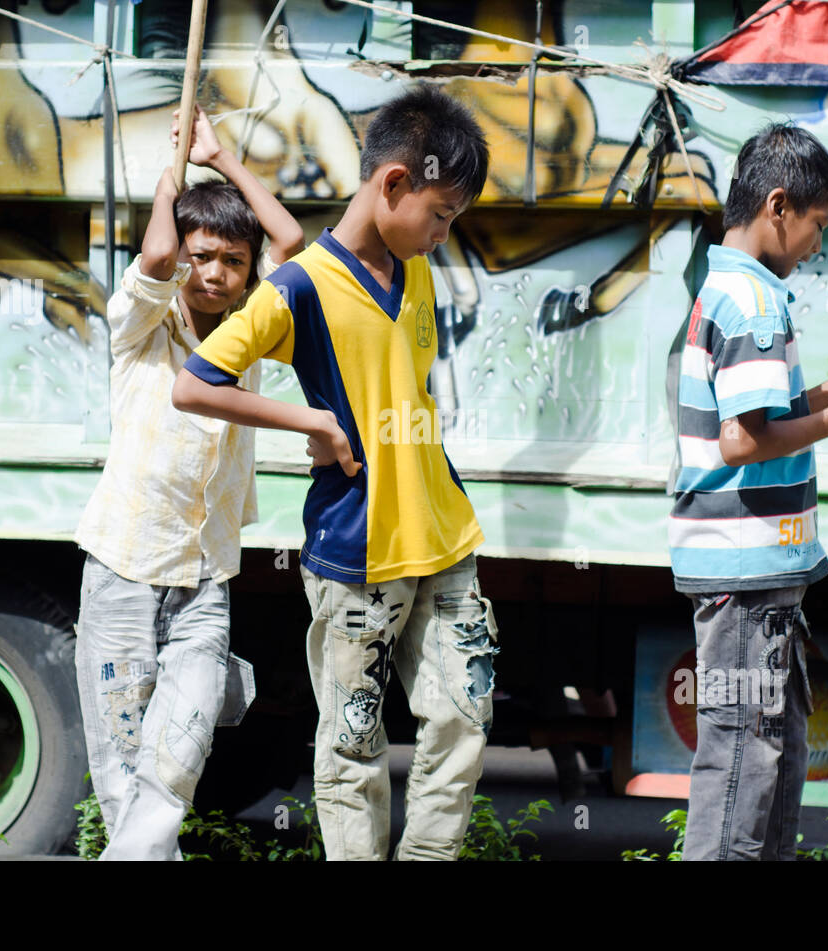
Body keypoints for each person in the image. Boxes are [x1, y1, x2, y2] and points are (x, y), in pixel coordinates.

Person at [172, 84, 496, 861]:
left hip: (446, 539)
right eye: (442, 214)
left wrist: (222, 157)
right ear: (393, 184)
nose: (445, 234)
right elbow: (195, 383)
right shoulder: (298, 287)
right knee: (353, 747)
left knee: (465, 717)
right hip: (358, 553)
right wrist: (311, 420)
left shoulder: (414, 273)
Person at [669, 122, 828, 861]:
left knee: (768, 759)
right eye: (818, 225)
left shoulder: (732, 285)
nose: (817, 244)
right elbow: (742, 442)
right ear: (779, 205)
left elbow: (757, 415)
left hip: (754, 574)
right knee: (745, 762)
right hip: (743, 575)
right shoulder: (755, 300)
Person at [74, 106, 304, 861]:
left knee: (178, 756)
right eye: (202, 256)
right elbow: (158, 251)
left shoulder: (249, 336)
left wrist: (223, 157)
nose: (213, 273)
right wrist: (174, 171)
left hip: (206, 579)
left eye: (232, 262)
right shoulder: (139, 326)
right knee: (124, 770)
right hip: (123, 572)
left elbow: (293, 243)